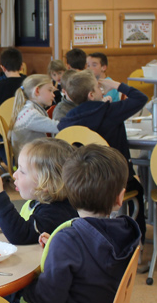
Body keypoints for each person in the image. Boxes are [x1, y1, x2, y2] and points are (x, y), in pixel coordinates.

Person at [19, 145, 140, 303]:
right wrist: (56, 250)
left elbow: (48, 298)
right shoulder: (125, 233)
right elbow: (88, 266)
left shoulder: (69, 239)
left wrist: (22, 287)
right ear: (120, 198)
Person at [58, 70, 148, 241]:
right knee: (138, 188)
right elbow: (140, 98)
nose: (102, 90)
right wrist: (116, 85)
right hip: (114, 181)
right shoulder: (110, 111)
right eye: (99, 88)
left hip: (80, 183)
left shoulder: (66, 121)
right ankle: (139, 239)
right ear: (92, 94)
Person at [0, 138, 78, 245]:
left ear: (45, 183)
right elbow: (22, 224)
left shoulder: (57, 213)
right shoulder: (41, 201)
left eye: (22, 171)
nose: (14, 175)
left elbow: (20, 235)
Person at [9, 74, 59, 155]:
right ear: (37, 91)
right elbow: (57, 127)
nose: (53, 95)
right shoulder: (31, 114)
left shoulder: (30, 108)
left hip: (30, 155)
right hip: (30, 160)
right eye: (50, 90)